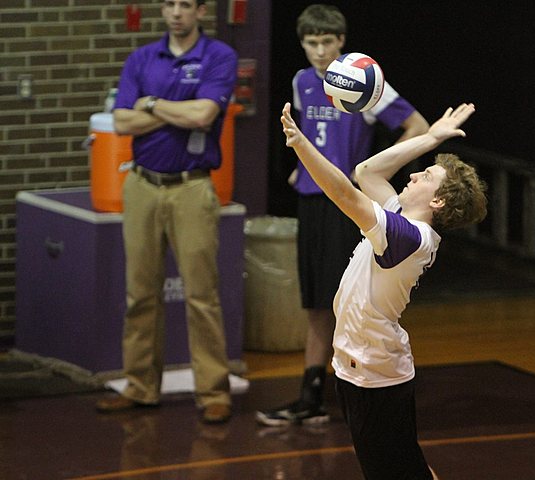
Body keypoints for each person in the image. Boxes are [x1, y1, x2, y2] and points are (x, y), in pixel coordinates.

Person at [279, 101, 487, 479]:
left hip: (375, 374)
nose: (412, 176)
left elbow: (344, 192)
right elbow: (366, 171)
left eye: (425, 177)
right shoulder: (399, 217)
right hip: (357, 365)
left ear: (437, 201)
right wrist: (431, 137)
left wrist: (301, 144)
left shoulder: (408, 237)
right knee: (406, 467)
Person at [257, 3, 430, 427]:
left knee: (346, 298)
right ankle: (311, 392)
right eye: (311, 43)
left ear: (341, 43)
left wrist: (370, 168)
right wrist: (304, 164)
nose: (318, 51)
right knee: (315, 298)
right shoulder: (301, 82)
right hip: (309, 199)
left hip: (346, 203)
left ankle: (360, 387)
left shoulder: (363, 81)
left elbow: (419, 126)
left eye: (326, 42)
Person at [95, 0, 237, 424]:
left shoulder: (218, 56)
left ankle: (213, 391)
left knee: (201, 295)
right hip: (141, 186)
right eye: (170, 4)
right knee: (140, 294)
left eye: (185, 5)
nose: (176, 13)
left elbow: (205, 114)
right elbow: (121, 121)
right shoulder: (141, 58)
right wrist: (177, 110)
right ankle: (140, 386)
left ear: (200, 11)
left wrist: (151, 104)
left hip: (191, 187)